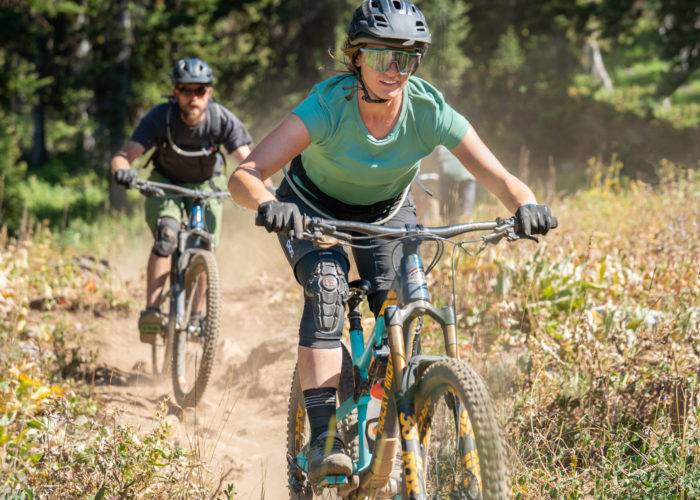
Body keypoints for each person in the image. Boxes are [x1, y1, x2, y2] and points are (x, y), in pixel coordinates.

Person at [228, 0, 555, 483]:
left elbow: (503, 179)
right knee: (328, 286)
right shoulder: (327, 105)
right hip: (311, 208)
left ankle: (393, 420)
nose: (393, 70)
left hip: (387, 210)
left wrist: (526, 206)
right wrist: (267, 205)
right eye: (381, 57)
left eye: (406, 59)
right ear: (356, 57)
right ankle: (324, 438)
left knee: (400, 305)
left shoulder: (428, 110)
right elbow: (245, 175)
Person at [111, 57, 261, 344]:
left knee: (204, 246)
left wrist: (272, 193)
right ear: (175, 91)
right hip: (166, 183)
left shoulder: (221, 119)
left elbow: (251, 162)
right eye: (186, 90)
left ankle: (197, 317)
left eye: (200, 91)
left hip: (207, 185)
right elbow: (125, 154)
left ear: (210, 92)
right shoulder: (160, 118)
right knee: (167, 237)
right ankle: (153, 312)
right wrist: (123, 171)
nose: (193, 97)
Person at [435, 144, 477, 222]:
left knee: (449, 210)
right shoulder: (466, 136)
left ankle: (449, 221)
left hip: (448, 174)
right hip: (468, 175)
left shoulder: (440, 142)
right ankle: (467, 221)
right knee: (467, 211)